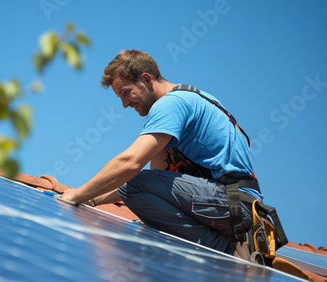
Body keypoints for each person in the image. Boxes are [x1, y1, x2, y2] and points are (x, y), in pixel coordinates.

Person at [61, 49, 264, 254]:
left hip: (231, 204)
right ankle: (225, 242)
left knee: (135, 183)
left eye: (125, 93)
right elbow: (152, 184)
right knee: (140, 194)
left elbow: (130, 164)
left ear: (146, 79)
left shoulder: (171, 105)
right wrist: (94, 199)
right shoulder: (190, 100)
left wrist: (77, 195)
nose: (124, 104)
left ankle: (226, 249)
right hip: (237, 207)